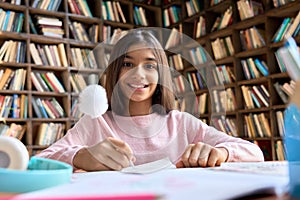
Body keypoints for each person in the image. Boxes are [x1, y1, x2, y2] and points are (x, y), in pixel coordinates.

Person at [36, 29, 264, 171]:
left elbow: (254, 153)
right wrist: (80, 157)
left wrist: (221, 153)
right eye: (127, 64)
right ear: (116, 71)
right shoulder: (96, 122)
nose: (139, 74)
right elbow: (39, 162)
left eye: (150, 65)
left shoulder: (182, 123)